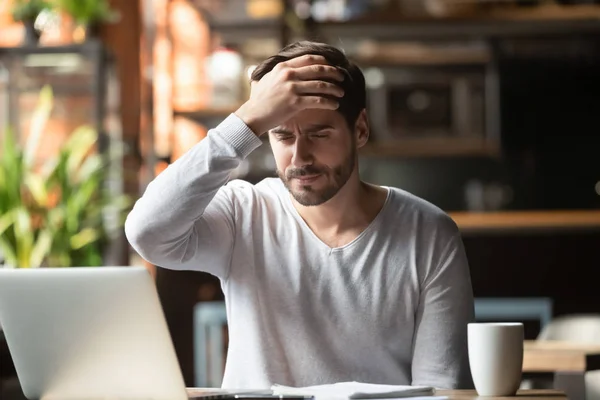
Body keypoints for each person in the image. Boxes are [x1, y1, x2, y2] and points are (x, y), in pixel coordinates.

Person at [125, 41, 474, 390]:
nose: (299, 157)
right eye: (281, 134)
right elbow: (148, 233)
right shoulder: (243, 213)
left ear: (361, 129)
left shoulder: (429, 233)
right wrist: (247, 119)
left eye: (320, 134)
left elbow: (441, 388)